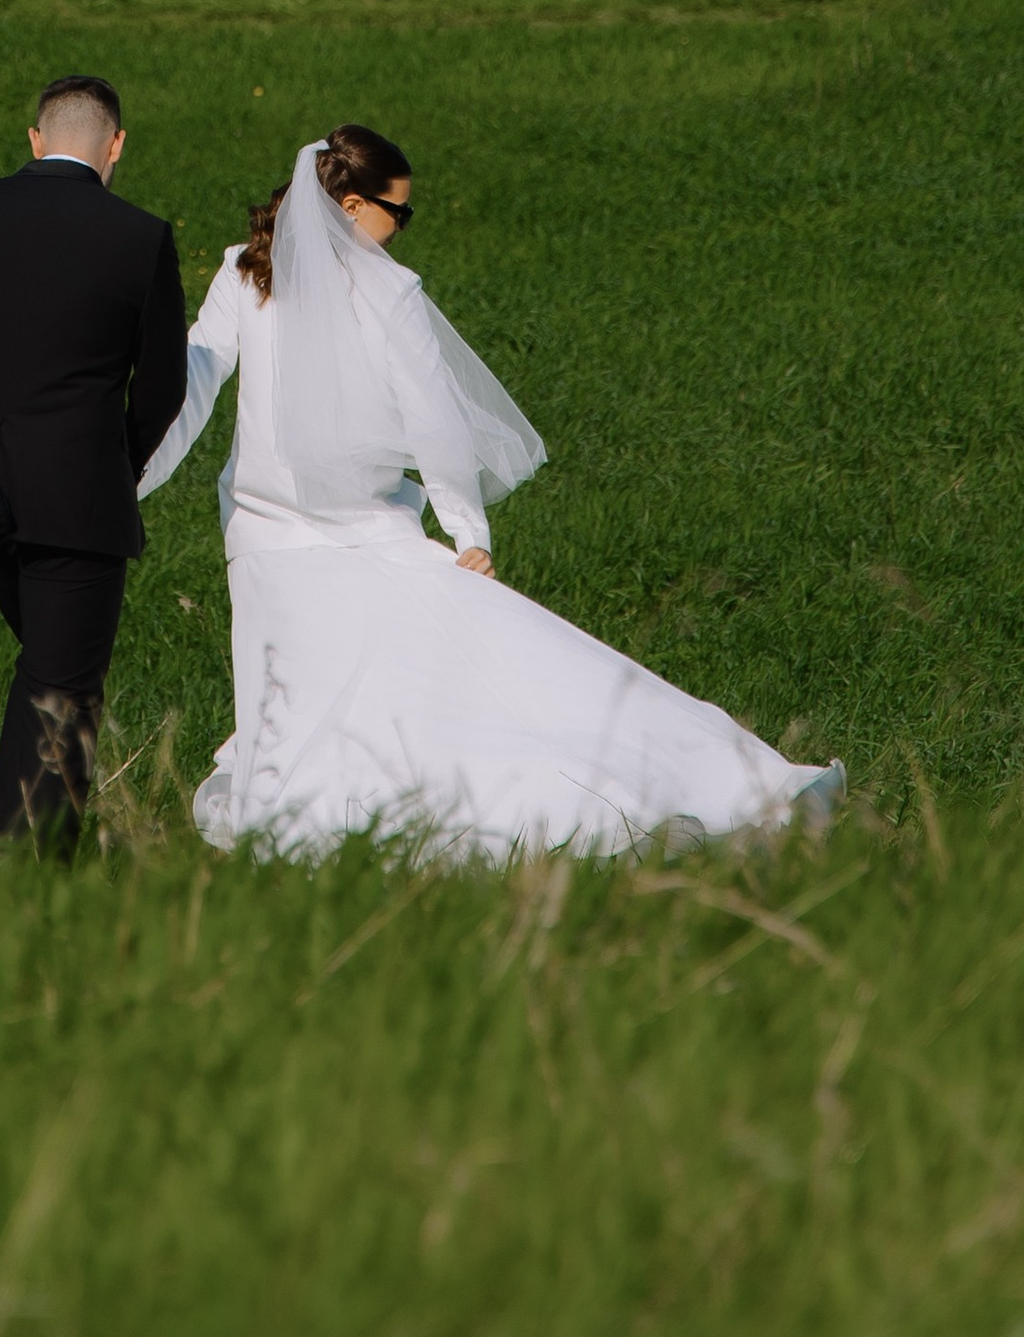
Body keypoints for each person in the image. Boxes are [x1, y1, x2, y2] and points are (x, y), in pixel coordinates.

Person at [141, 125, 840, 860]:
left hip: (272, 537)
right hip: (317, 537)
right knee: (389, 687)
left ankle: (329, 820)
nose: (403, 230)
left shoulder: (246, 274)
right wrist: (468, 529)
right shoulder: (381, 291)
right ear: (350, 205)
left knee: (320, 697)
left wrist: (132, 473)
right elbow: (433, 420)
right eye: (397, 213)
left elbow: (194, 380)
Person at [0, 75, 187, 847]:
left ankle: (27, 865)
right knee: (63, 684)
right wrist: (116, 466)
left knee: (51, 664)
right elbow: (163, 387)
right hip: (76, 496)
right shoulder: (139, 237)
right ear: (115, 146)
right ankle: (27, 876)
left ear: (35, 139)